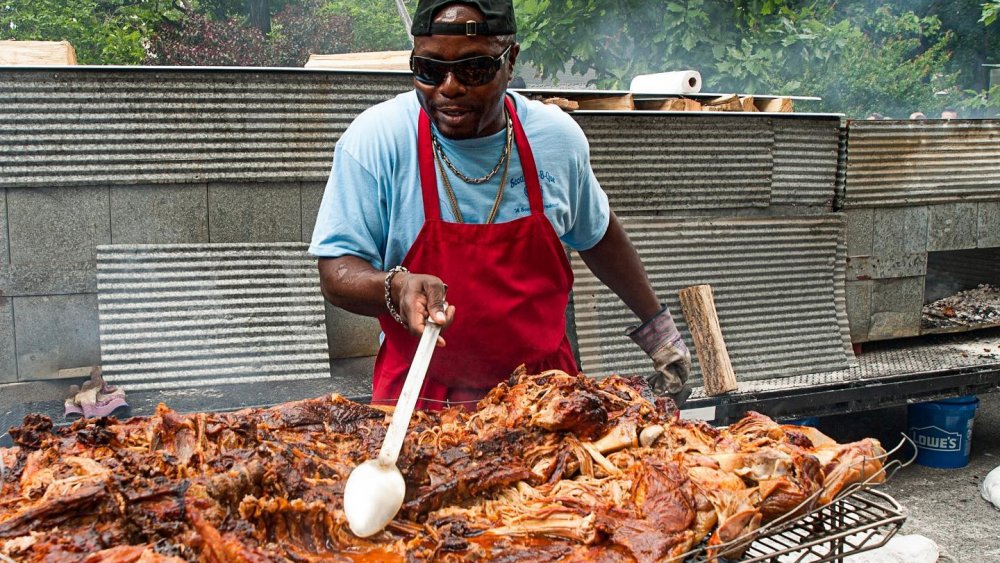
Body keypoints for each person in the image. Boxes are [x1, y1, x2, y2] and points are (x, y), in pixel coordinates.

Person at [309, 0, 691, 411]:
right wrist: (395, 287)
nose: (450, 87)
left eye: (474, 69)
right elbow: (336, 271)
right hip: (420, 397)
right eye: (429, 70)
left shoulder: (556, 139)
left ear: (510, 60)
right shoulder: (376, 140)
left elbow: (598, 236)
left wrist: (660, 332)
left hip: (547, 398)